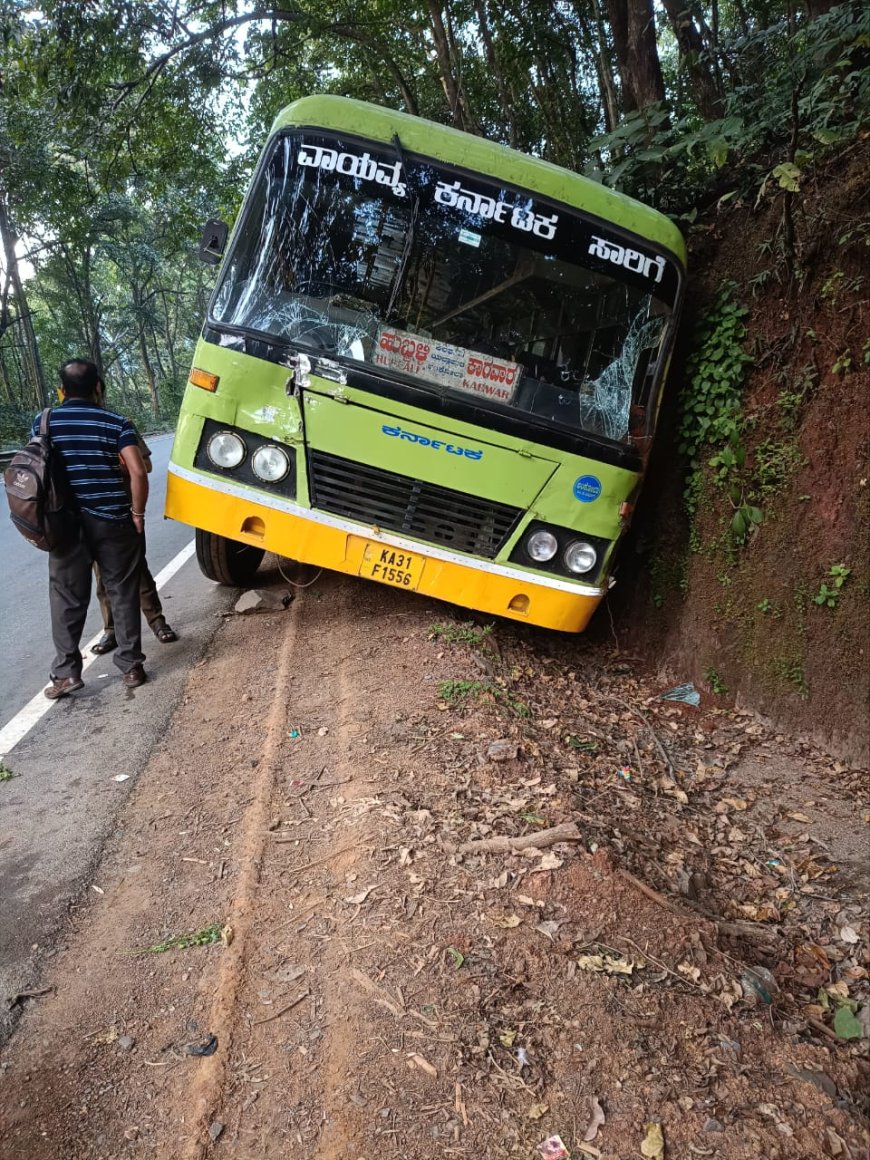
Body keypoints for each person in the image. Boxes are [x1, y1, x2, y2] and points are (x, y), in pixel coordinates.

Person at [38, 359, 148, 698]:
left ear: (61, 391)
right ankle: (130, 666)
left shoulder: (45, 422)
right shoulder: (116, 422)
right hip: (115, 521)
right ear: (98, 387)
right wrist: (137, 514)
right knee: (122, 590)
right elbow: (138, 472)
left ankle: (67, 674)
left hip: (65, 524)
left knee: (67, 599)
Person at [91, 430, 177, 654]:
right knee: (101, 574)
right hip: (92, 517)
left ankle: (157, 621)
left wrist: (117, 465)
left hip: (125, 510)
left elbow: (145, 466)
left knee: (138, 568)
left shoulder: (120, 425)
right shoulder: (72, 431)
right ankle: (111, 630)